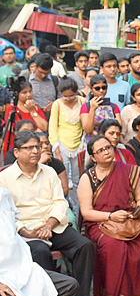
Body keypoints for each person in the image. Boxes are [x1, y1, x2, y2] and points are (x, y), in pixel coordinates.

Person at [0, 131, 95, 296]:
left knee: (84, 246)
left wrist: (49, 224)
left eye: (37, 146)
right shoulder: (5, 178)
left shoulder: (48, 172)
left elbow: (60, 202)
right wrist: (24, 231)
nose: (36, 151)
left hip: (53, 225)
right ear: (16, 152)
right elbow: (5, 215)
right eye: (29, 148)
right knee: (39, 252)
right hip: (26, 231)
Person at [77, 136, 140, 296]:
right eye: (100, 150)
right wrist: (110, 216)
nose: (106, 152)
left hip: (128, 220)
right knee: (114, 246)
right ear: (93, 157)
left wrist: (137, 212)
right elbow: (86, 212)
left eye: (108, 148)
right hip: (100, 222)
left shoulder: (128, 171)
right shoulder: (88, 178)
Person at [48, 78, 85, 214]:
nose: (69, 99)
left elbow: (84, 123)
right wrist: (56, 151)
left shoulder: (81, 101)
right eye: (65, 96)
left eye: (71, 95)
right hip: (63, 145)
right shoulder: (57, 105)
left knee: (78, 180)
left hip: (79, 145)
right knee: (63, 182)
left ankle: (79, 212)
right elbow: (52, 128)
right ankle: (67, 211)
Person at [28, 54, 58, 119]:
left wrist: (55, 105)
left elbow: (63, 100)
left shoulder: (55, 81)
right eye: (41, 72)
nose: (43, 76)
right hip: (32, 118)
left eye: (46, 73)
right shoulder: (26, 80)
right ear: (35, 66)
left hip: (52, 118)